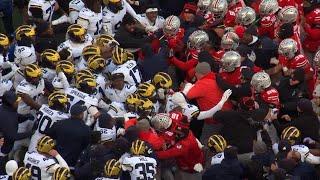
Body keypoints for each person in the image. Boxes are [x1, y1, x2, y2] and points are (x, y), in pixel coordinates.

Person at [183, 62, 232, 143]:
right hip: (227, 114)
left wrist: (188, 86)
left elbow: (188, 95)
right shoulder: (215, 77)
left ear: (199, 73)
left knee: (206, 142)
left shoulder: (203, 83)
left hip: (215, 119)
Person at [46, 104, 91, 169]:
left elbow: (48, 137)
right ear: (81, 114)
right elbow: (86, 146)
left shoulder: (59, 123)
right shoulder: (86, 129)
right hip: (73, 164)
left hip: (56, 161)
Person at [0, 91, 32, 174]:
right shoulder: (7, 117)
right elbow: (12, 137)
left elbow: (16, 117)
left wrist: (26, 117)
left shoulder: (5, 109)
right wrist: (29, 133)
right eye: (16, 102)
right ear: (10, 103)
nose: (18, 103)